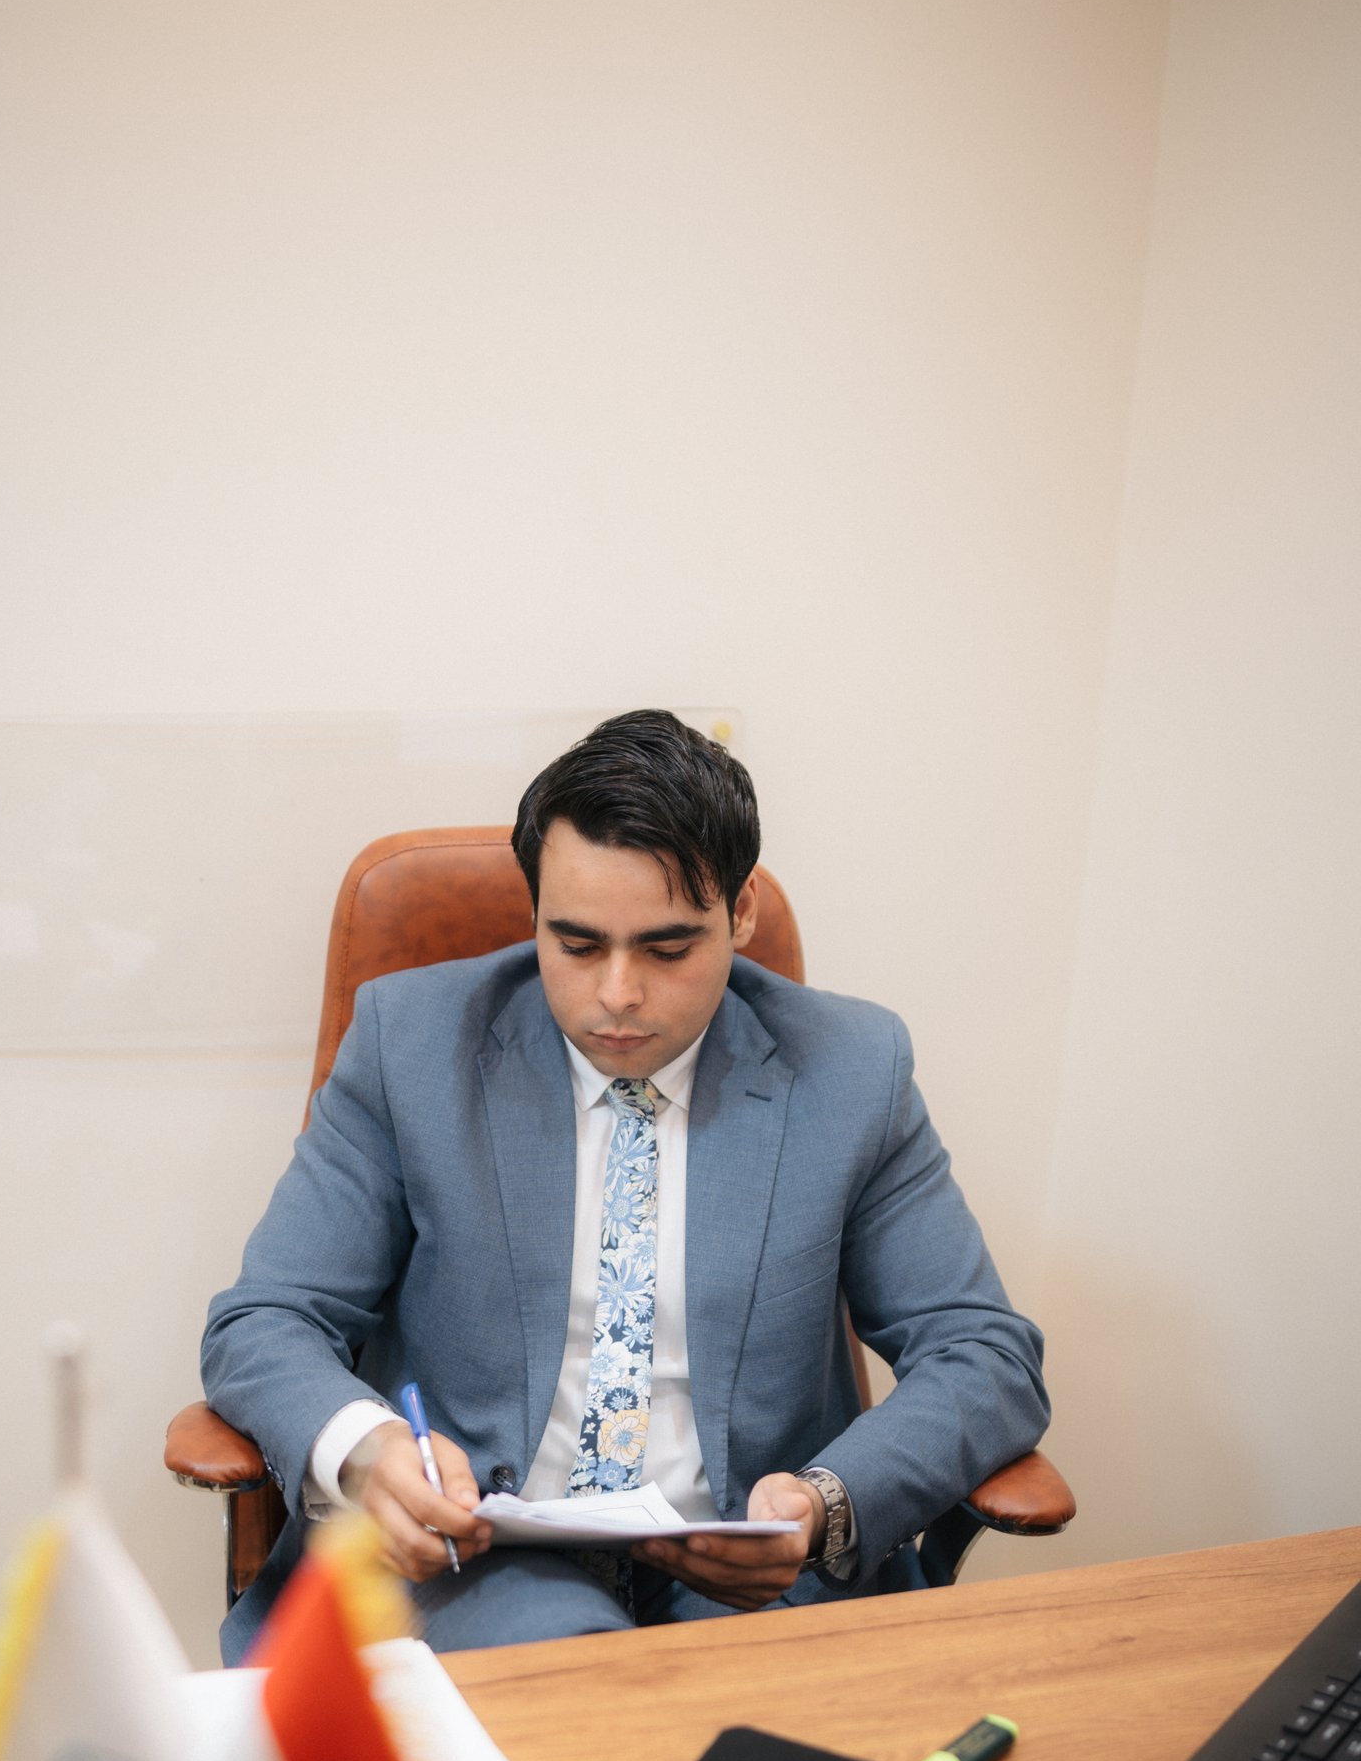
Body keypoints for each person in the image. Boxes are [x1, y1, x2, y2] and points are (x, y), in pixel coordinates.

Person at [204, 710, 1049, 1664]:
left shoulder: (852, 1070)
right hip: (478, 1564)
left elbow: (984, 1355)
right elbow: (265, 1321)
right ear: (535, 912)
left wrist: (827, 1504)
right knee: (577, 1669)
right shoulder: (412, 1045)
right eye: (575, 944)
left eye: (667, 949)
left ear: (740, 914)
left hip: (750, 1575)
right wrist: (367, 1450)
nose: (617, 993)